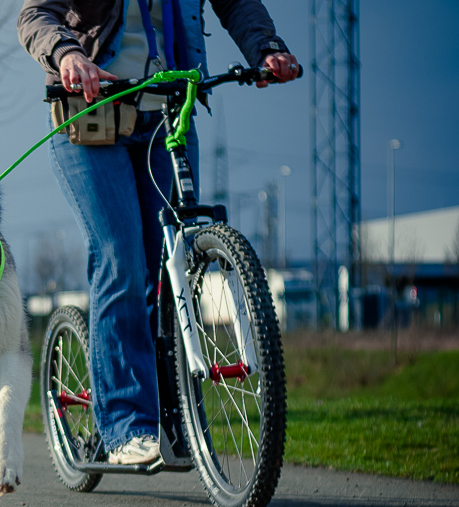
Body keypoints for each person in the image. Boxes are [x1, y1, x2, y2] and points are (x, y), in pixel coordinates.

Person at [18, 0, 299, 464]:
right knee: (121, 258)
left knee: (169, 269)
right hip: (90, 112)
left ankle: (175, 417)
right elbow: (35, 15)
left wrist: (265, 48)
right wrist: (68, 54)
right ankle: (127, 425)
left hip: (169, 112)